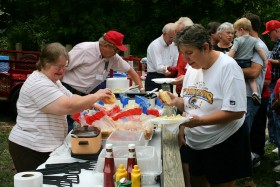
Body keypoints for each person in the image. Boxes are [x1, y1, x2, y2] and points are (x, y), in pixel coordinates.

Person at [8, 43, 112, 172]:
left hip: (44, 145)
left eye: (64, 67)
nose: (62, 71)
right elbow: (68, 107)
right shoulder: (39, 83)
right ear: (45, 63)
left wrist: (94, 104)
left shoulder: (53, 81)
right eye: (59, 66)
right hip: (30, 148)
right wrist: (96, 96)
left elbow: (72, 97)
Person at [171, 24, 251, 187]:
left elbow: (236, 112)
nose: (186, 59)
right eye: (183, 53)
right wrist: (176, 103)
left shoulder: (228, 67)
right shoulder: (193, 67)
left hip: (223, 140)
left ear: (205, 47)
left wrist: (200, 121)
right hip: (195, 141)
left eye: (189, 53)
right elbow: (190, 103)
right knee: (197, 181)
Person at [61, 30, 144, 131]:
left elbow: (131, 71)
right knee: (66, 125)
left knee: (81, 125)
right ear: (105, 45)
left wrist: (142, 90)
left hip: (85, 95)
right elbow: (61, 69)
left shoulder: (113, 57)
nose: (117, 53)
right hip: (68, 90)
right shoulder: (84, 50)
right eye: (116, 49)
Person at [240, 13, 269, 169]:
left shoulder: (259, 46)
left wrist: (230, 68)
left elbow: (254, 72)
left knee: (246, 131)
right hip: (243, 94)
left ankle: (247, 164)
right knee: (244, 131)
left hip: (250, 96)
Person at [228, 17, 268, 105]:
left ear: (241, 29)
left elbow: (232, 52)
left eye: (235, 32)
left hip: (238, 63)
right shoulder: (254, 41)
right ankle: (255, 92)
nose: (235, 34)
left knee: (234, 76)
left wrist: (226, 60)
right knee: (252, 80)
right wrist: (265, 60)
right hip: (247, 62)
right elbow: (260, 51)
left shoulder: (238, 40)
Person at [145, 23, 179, 91]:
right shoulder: (155, 45)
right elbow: (158, 66)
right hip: (155, 78)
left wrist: (174, 70)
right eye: (171, 37)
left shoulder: (174, 45)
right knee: (154, 101)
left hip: (168, 78)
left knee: (169, 100)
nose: (173, 40)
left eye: (175, 37)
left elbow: (176, 62)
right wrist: (168, 69)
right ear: (164, 34)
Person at [262, 20, 280, 146]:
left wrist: (267, 60)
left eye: (270, 33)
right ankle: (274, 139)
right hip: (273, 83)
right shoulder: (277, 44)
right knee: (272, 112)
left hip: (278, 84)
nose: (269, 36)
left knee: (276, 112)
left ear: (277, 31)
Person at [167, 17, 194, 95]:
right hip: (181, 92)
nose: (176, 37)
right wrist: (172, 70)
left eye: (179, 33)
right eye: (176, 33)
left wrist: (185, 78)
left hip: (192, 93)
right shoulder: (182, 50)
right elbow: (181, 68)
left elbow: (201, 74)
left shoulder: (197, 51)